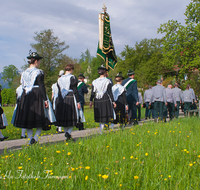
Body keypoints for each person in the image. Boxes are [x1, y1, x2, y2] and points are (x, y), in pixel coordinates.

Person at [12, 51, 55, 145]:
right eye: (39, 61)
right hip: (37, 95)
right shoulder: (39, 72)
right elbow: (42, 86)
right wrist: (45, 99)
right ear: (35, 61)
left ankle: (31, 139)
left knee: (28, 119)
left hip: (25, 96)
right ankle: (35, 138)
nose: (39, 63)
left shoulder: (24, 73)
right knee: (42, 117)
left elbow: (22, 86)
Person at [55, 64, 81, 141]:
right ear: (71, 70)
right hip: (70, 97)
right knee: (73, 116)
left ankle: (67, 136)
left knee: (65, 117)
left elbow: (59, 91)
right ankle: (68, 133)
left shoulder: (59, 79)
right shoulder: (72, 77)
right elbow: (75, 90)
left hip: (62, 99)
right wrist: (78, 101)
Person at [90, 65, 116, 134]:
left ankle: (101, 131)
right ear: (104, 72)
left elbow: (92, 92)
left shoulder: (94, 81)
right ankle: (111, 129)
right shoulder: (108, 81)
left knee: (100, 115)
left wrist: (90, 101)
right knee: (107, 113)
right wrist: (113, 101)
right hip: (105, 98)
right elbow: (110, 92)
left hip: (97, 98)